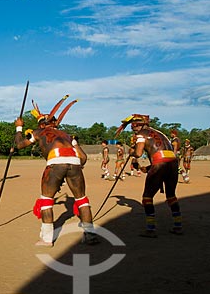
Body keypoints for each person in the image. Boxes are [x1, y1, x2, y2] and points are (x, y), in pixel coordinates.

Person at [14, 97, 99, 246]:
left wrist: (19, 128)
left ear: (41, 124)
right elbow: (83, 158)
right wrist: (73, 165)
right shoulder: (67, 135)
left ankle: (47, 239)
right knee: (81, 199)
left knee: (46, 200)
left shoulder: (38, 132)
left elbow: (20, 144)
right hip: (75, 164)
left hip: (55, 164)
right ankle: (90, 234)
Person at [116, 114, 182, 237]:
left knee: (147, 197)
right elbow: (165, 153)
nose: (133, 128)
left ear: (142, 124)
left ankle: (151, 229)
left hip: (159, 163)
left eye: (135, 125)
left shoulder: (141, 135)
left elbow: (139, 153)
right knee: (171, 195)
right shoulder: (161, 134)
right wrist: (147, 167)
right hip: (172, 163)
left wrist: (132, 152)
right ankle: (178, 225)